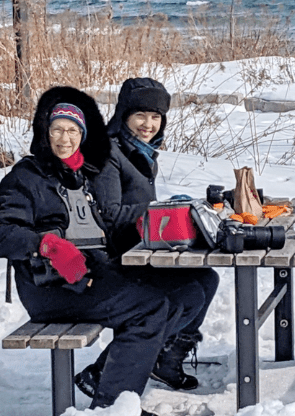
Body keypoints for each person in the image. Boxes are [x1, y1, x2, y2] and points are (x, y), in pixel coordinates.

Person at [0, 86, 196, 416]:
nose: (64, 139)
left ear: (82, 134)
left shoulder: (82, 174)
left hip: (94, 274)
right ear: (45, 132)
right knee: (150, 308)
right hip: (51, 287)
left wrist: (145, 223)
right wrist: (47, 245)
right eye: (57, 130)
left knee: (185, 289)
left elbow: (105, 225)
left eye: (72, 131)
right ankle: (110, 406)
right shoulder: (26, 177)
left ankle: (108, 375)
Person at [83, 76, 219, 395]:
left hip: (138, 248)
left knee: (205, 279)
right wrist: (161, 215)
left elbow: (136, 209)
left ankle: (165, 361)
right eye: (141, 115)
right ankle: (104, 372)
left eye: (156, 117)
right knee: (186, 294)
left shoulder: (141, 152)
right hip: (111, 260)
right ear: (124, 115)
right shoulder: (108, 154)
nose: (149, 124)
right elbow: (109, 214)